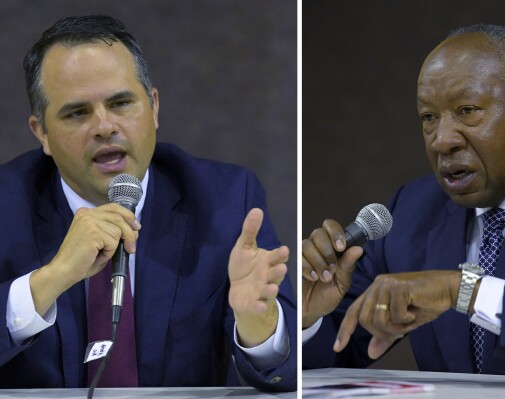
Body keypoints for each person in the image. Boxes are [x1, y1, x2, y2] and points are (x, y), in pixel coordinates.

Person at [0, 15, 296, 391]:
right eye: (77, 113)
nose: (105, 126)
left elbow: (286, 373)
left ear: (153, 107)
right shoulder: (6, 203)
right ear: (41, 131)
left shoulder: (224, 200)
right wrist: (51, 279)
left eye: (121, 103)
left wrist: (258, 325)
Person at [302, 24, 505, 386]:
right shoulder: (413, 211)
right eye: (429, 118)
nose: (442, 141)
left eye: (467, 110)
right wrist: (309, 317)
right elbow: (327, 352)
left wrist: (464, 290)